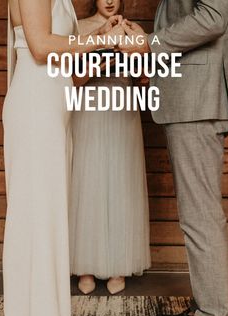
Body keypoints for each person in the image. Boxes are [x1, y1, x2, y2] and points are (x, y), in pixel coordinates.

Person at [3, 1, 123, 316]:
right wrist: (97, 42)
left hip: (53, 105)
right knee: (35, 222)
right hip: (36, 106)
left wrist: (98, 33)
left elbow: (59, 47)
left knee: (51, 218)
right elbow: (40, 47)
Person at [119, 0, 228, 316]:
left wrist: (148, 44)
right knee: (196, 214)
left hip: (198, 98)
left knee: (200, 216)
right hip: (189, 95)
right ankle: (207, 309)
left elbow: (214, 17)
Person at [69, 0, 151, 295]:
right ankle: (86, 264)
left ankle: (118, 263)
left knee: (121, 183)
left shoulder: (134, 30)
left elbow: (144, 81)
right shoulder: (79, 29)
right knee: (88, 182)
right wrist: (101, 62)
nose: (109, 0)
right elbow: (71, 80)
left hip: (122, 109)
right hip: (88, 109)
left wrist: (137, 61)